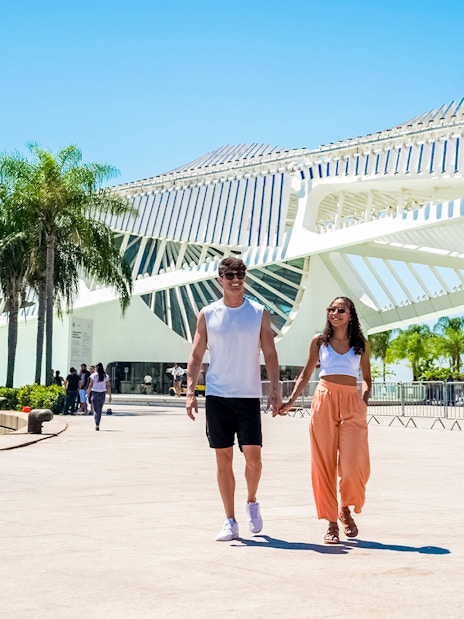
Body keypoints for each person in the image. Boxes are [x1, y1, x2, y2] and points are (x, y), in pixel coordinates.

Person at [186, 257, 282, 542]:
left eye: (240, 274)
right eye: (229, 275)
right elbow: (196, 355)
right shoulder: (207, 314)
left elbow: (270, 353)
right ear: (220, 279)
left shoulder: (258, 313)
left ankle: (252, 501)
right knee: (223, 458)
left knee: (254, 458)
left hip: (248, 394)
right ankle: (230, 520)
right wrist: (191, 392)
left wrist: (275, 389)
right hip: (218, 396)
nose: (235, 279)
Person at [280, 296, 371, 544]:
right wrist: (290, 402)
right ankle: (332, 521)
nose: (335, 313)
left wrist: (363, 401)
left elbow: (367, 378)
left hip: (352, 402)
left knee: (354, 465)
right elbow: (306, 373)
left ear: (350, 314)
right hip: (324, 399)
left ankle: (345, 507)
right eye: (331, 309)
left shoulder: (360, 343)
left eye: (341, 310)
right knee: (324, 463)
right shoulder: (319, 341)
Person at [87, 362, 112, 431]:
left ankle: (96, 424)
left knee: (95, 410)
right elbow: (108, 386)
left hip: (95, 393)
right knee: (99, 410)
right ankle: (98, 423)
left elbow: (90, 385)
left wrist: (88, 393)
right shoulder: (105, 376)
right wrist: (110, 395)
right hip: (102, 394)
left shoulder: (93, 375)